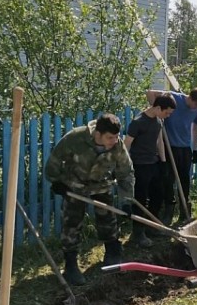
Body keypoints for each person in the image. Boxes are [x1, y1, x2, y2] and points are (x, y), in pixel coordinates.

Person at [45, 113, 134, 286]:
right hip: (75, 187)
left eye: (116, 137)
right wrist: (56, 181)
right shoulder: (75, 138)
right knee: (72, 225)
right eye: (110, 137)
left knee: (108, 219)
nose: (114, 141)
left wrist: (127, 200)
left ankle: (113, 253)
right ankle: (71, 265)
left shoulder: (117, 146)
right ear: (98, 134)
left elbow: (126, 172)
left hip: (101, 185)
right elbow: (55, 160)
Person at [123, 94, 176, 246]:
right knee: (140, 199)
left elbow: (159, 140)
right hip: (140, 165)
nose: (168, 115)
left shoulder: (158, 120)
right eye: (167, 112)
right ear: (158, 108)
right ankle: (138, 234)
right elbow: (127, 144)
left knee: (158, 195)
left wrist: (164, 162)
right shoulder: (138, 122)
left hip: (153, 163)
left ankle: (151, 226)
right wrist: (125, 165)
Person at [154, 87, 197, 224]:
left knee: (184, 180)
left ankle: (185, 211)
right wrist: (156, 109)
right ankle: (169, 210)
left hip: (185, 148)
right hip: (169, 146)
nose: (195, 108)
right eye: (195, 105)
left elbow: (196, 129)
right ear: (191, 98)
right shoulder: (174, 97)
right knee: (168, 180)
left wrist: (195, 150)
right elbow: (150, 93)